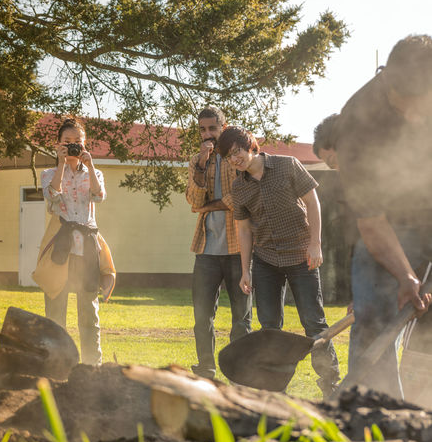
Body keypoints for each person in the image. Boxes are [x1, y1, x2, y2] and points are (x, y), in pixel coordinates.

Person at [333, 35, 432, 398]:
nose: (414, 118)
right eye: (403, 107)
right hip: (392, 223)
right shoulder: (357, 125)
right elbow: (372, 221)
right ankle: (377, 414)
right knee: (373, 319)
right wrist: (405, 275)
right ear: (387, 78)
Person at [218, 126, 340, 397]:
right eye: (228, 156)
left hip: (301, 256)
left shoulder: (287, 166)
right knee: (270, 327)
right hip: (266, 261)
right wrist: (246, 270)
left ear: (250, 145)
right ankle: (273, 391)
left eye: (236, 151)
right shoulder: (239, 188)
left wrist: (315, 243)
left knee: (314, 323)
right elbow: (244, 230)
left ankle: (331, 387)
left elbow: (312, 202)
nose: (234, 159)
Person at [32, 118, 113, 365]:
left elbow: (99, 197)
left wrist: (88, 166)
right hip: (62, 247)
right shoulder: (49, 173)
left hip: (87, 248)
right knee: (56, 308)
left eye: (77, 142)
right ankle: (57, 363)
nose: (73, 146)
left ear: (85, 144)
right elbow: (52, 196)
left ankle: (92, 365)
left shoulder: (94, 172)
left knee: (89, 311)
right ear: (58, 144)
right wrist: (61, 164)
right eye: (67, 142)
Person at [184, 106, 251, 379]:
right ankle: (206, 369)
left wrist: (208, 207)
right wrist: (202, 162)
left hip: (239, 249)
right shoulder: (197, 161)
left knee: (241, 320)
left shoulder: (237, 158)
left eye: (212, 128)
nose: (207, 134)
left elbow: (240, 199)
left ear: (223, 127)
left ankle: (239, 371)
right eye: (202, 129)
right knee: (202, 317)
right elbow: (193, 201)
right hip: (207, 250)